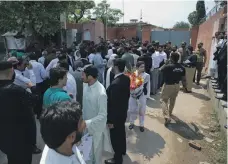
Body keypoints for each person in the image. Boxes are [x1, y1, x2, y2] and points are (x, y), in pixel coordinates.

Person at [0, 61, 38, 164]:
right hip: (21, 139)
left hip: (4, 138)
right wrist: (32, 86)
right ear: (12, 71)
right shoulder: (16, 91)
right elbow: (35, 100)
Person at [81, 65, 112, 164]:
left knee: (96, 156)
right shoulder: (85, 85)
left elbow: (103, 115)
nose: (81, 77)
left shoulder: (101, 93)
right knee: (86, 156)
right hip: (85, 128)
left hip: (96, 129)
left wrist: (87, 123)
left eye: (83, 75)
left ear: (90, 77)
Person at [105, 59, 130, 164]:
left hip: (115, 116)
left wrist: (110, 120)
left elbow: (113, 105)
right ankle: (122, 150)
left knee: (115, 137)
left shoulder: (115, 84)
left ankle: (117, 158)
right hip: (123, 112)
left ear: (115, 67)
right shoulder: (126, 79)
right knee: (121, 133)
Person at [160, 52, 185, 125]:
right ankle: (170, 113)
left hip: (168, 85)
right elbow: (184, 79)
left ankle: (167, 117)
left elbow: (160, 70)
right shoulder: (182, 67)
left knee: (163, 100)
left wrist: (165, 63)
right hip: (177, 85)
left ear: (171, 58)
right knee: (173, 100)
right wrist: (184, 87)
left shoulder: (168, 66)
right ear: (178, 58)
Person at [129, 61, 150, 132]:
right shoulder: (133, 75)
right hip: (132, 95)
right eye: (141, 67)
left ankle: (141, 124)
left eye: (144, 67)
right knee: (132, 110)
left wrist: (147, 96)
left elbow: (148, 86)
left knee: (142, 110)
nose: (143, 68)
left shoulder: (146, 75)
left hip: (141, 95)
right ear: (137, 68)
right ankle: (131, 122)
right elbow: (130, 85)